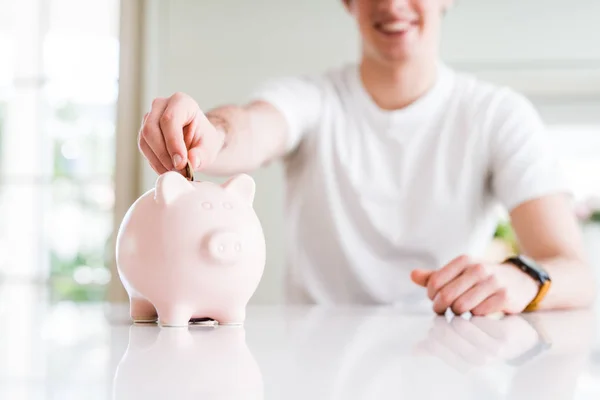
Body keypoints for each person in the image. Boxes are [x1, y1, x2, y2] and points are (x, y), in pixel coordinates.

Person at [137, 0, 596, 315]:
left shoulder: (498, 115)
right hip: (313, 360)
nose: (392, 3)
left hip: (448, 352)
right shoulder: (310, 99)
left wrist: (522, 279)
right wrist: (211, 134)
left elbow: (576, 272)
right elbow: (252, 127)